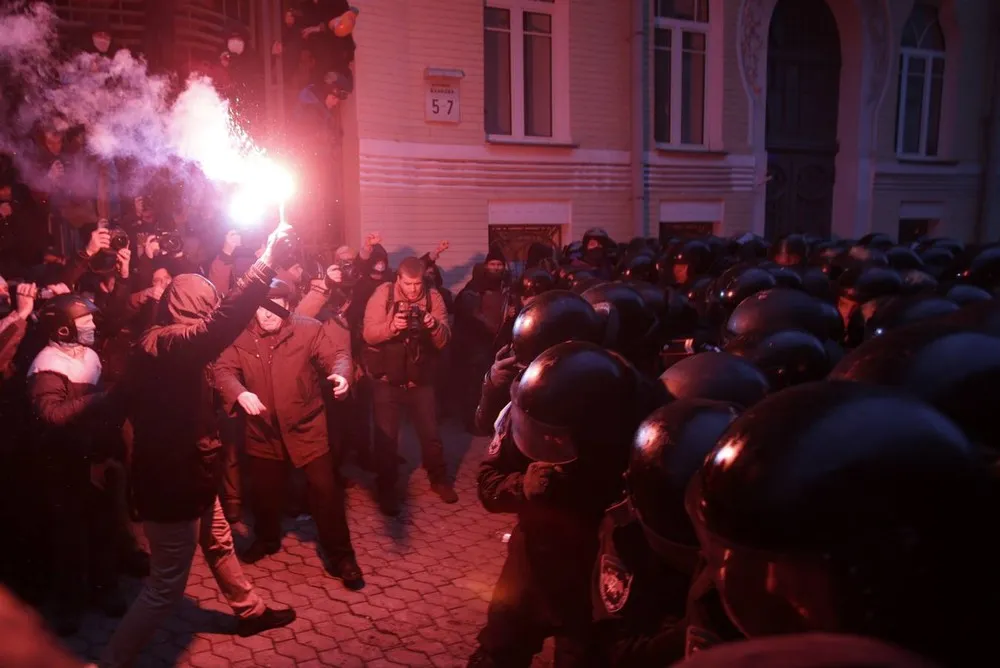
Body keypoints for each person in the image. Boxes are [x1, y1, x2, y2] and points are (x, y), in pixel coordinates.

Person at [99, 223, 297, 668]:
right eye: (208, 305)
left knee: (220, 540)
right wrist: (265, 262)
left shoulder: (166, 343)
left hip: (194, 469)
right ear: (196, 308)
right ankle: (110, 663)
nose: (213, 313)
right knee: (165, 588)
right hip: (172, 480)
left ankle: (250, 611)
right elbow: (219, 326)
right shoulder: (168, 343)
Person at [471, 341, 660, 667]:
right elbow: (488, 485)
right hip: (530, 563)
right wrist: (521, 486)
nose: (547, 443)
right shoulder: (537, 407)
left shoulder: (634, 442)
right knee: (497, 651)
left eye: (558, 437)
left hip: (590, 578)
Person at [213, 279, 363, 588]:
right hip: (263, 431)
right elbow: (223, 370)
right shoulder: (241, 335)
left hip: (307, 427)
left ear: (288, 306)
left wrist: (342, 375)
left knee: (325, 493)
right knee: (265, 494)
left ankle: (341, 556)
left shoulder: (307, 329)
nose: (266, 315)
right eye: (260, 307)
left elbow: (338, 357)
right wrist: (240, 393)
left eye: (275, 307)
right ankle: (267, 539)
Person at [27, 294, 122, 635]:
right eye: (85, 324)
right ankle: (69, 606)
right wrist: (100, 400)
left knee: (103, 527)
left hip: (93, 459)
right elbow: (51, 415)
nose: (93, 327)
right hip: (64, 465)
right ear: (64, 330)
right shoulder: (48, 365)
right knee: (70, 537)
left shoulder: (89, 355)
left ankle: (104, 591)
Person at [362, 255, 454, 515]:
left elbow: (445, 339)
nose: (413, 290)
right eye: (408, 284)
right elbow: (368, 333)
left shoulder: (432, 296)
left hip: (420, 377)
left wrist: (433, 325)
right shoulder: (384, 294)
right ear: (399, 278)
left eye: (417, 284)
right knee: (386, 440)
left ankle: (439, 479)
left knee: (431, 434)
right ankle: (387, 489)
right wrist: (392, 326)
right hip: (387, 379)